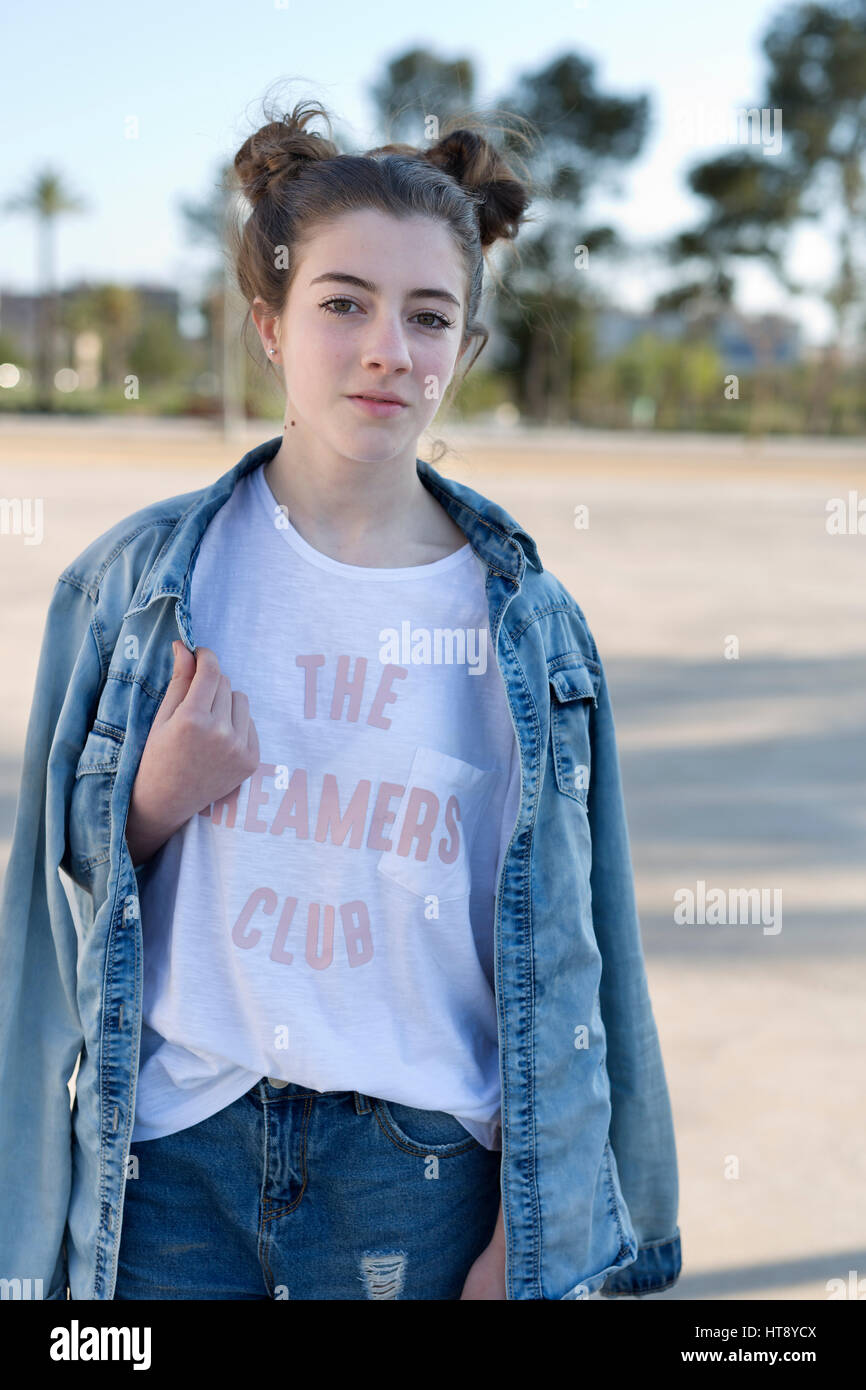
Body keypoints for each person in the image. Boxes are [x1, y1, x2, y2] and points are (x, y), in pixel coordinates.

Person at [0, 96, 682, 1301]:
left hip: (414, 1172)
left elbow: (577, 951)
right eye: (341, 304)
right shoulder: (139, 585)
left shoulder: (525, 624)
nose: (385, 348)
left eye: (429, 317)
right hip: (175, 1157)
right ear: (268, 324)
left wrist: (534, 1238)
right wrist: (151, 805)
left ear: (463, 352)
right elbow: (43, 925)